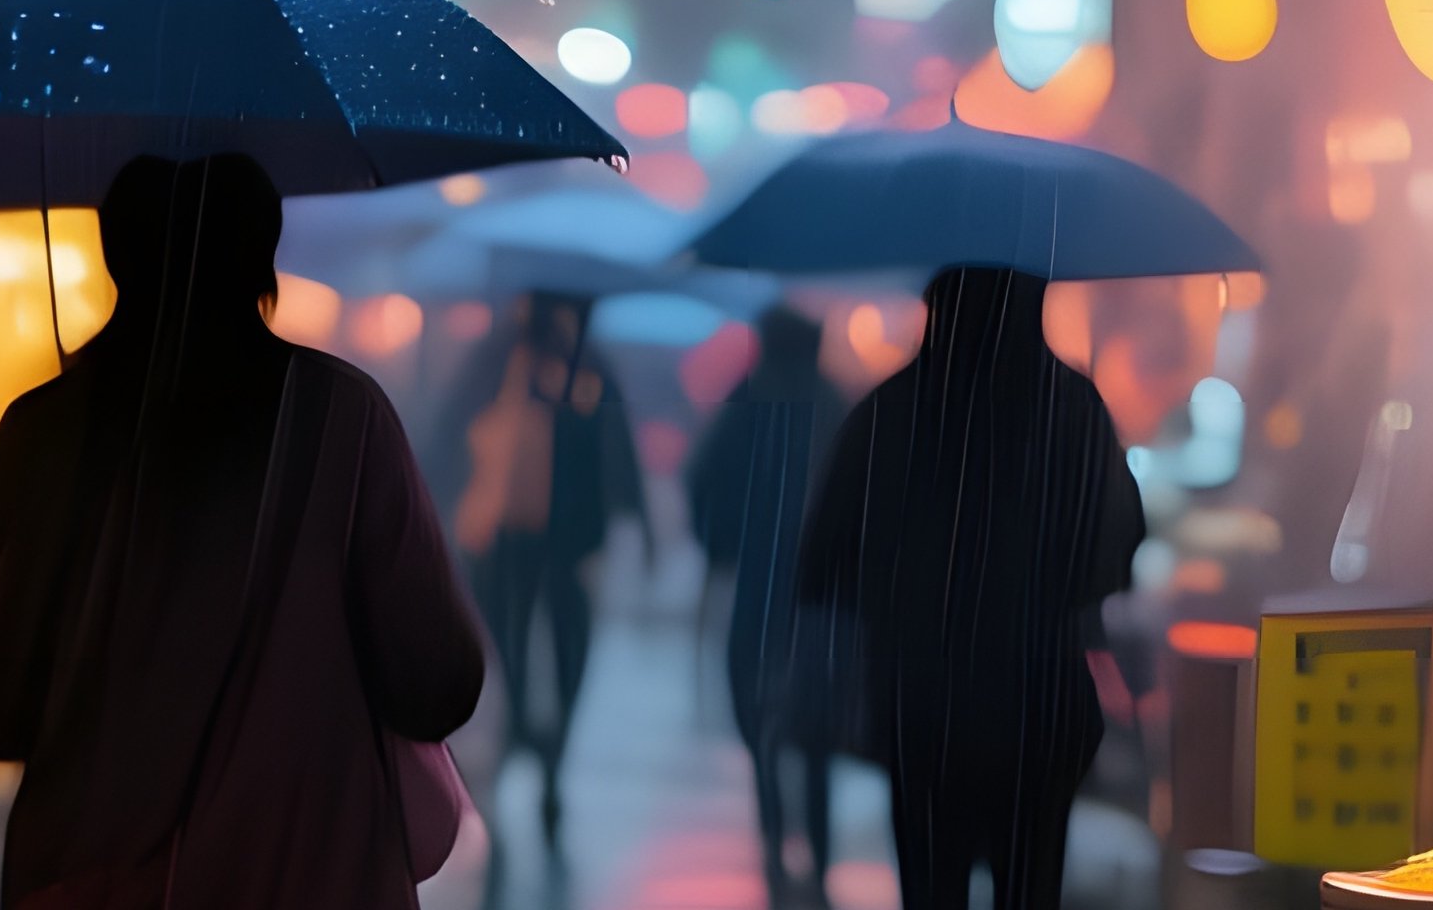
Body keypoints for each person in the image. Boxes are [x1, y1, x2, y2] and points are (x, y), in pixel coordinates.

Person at [0, 154, 485, 910]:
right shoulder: (343, 423)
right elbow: (438, 684)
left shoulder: (47, 429)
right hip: (312, 873)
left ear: (115, 255)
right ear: (263, 258)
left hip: (85, 878)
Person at [798, 265, 1144, 910]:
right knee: (1029, 889)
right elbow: (1118, 553)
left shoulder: (892, 411)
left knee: (931, 887)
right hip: (1037, 710)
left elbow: (823, 560)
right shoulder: (1072, 408)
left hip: (921, 712)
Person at [435, 292, 649, 849]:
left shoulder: (581, 361)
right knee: (513, 652)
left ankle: (543, 754)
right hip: (510, 538)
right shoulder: (506, 356)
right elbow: (452, 433)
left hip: (559, 540)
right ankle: (525, 747)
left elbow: (614, 444)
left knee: (559, 650)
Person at [688, 305, 846, 908]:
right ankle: (822, 859)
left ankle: (776, 840)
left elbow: (702, 480)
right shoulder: (835, 404)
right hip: (823, 600)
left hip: (758, 587)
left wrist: (721, 546)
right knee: (818, 733)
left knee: (760, 721)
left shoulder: (747, 399)